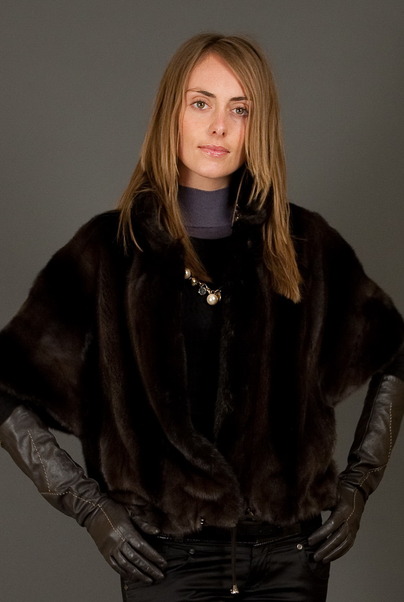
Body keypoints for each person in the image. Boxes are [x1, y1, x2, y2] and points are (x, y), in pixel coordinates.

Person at [0, 32, 403, 602]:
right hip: (168, 562)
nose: (219, 126)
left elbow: (393, 352)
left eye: (240, 109)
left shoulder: (303, 242)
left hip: (291, 557)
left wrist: (358, 484)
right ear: (172, 112)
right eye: (201, 103)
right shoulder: (109, 251)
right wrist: (91, 508)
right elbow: (7, 388)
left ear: (258, 126)